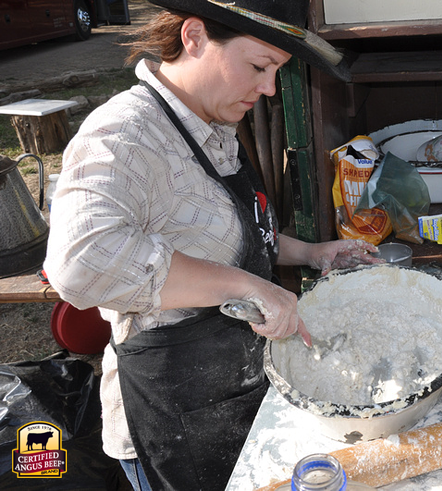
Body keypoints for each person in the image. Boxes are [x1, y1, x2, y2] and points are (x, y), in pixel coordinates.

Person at [43, 1, 383, 489]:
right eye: (259, 67)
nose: (268, 88)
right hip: (174, 418)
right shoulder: (125, 135)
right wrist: (247, 285)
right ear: (195, 37)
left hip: (233, 396)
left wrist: (309, 253)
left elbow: (230, 235)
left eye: (276, 72)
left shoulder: (210, 124)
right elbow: (79, 265)